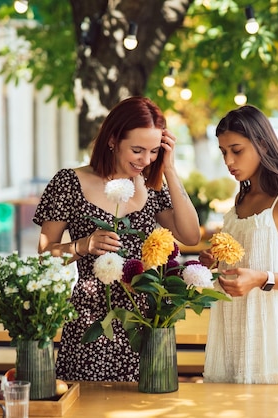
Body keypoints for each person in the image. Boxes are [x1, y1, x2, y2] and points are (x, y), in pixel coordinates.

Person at [33, 96, 201, 381]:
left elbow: (190, 235)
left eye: (153, 151)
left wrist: (169, 168)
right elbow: (43, 256)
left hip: (147, 324)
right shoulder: (68, 183)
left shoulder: (151, 183)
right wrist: (81, 245)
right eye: (137, 150)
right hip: (92, 324)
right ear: (112, 139)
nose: (145, 160)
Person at [198, 105, 278, 384]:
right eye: (223, 152)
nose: (229, 161)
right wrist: (217, 261)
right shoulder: (240, 200)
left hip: (276, 341)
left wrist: (262, 279)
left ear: (263, 145)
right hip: (235, 333)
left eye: (237, 150)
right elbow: (250, 259)